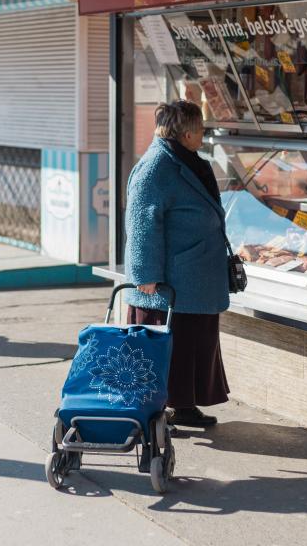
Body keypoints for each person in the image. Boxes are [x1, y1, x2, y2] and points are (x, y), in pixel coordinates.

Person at [124, 100, 230, 427]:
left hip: (193, 276)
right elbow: (142, 222)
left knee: (192, 342)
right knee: (171, 345)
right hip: (168, 281)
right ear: (187, 132)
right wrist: (145, 275)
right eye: (201, 129)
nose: (204, 135)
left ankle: (184, 406)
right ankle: (160, 411)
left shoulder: (185, 159)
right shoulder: (155, 166)